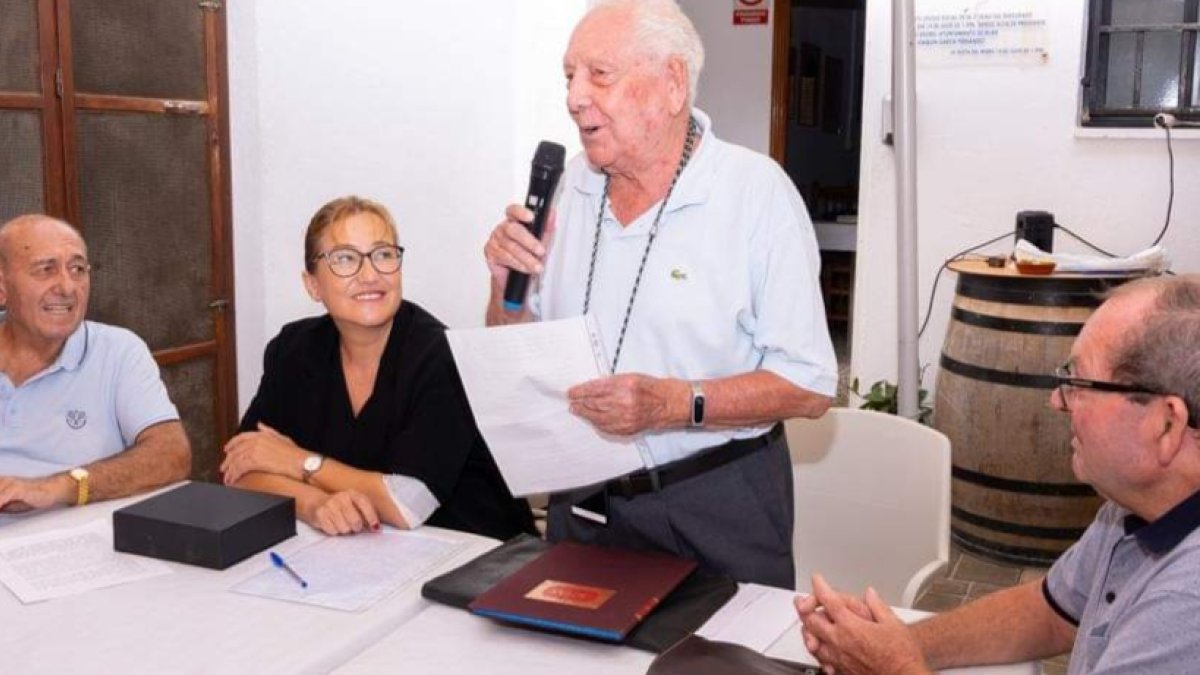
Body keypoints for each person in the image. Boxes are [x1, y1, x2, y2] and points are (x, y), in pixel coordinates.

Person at [482, 0, 836, 587]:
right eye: (569, 76)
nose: (574, 97)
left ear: (672, 83)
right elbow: (514, 344)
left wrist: (675, 403)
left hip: (715, 501)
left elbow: (810, 384)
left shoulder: (755, 195)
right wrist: (506, 295)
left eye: (600, 74)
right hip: (584, 502)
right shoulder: (570, 186)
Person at [797, 274, 1200, 674]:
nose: (1057, 400)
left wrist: (892, 667)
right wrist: (899, 643)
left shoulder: (1187, 604)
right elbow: (1049, 613)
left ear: (1166, 424)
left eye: (1078, 383)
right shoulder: (1133, 509)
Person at [223, 196, 535, 540]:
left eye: (383, 255)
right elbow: (240, 467)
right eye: (344, 259)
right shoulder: (293, 350)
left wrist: (298, 463)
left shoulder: (443, 357)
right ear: (312, 284)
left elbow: (406, 504)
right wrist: (313, 503)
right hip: (368, 555)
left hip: (478, 558)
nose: (370, 275)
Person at [0, 214, 190, 520]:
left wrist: (58, 487)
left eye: (77, 269)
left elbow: (171, 455)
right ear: (2, 286)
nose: (66, 286)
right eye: (45, 269)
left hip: (81, 543)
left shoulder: (117, 351)